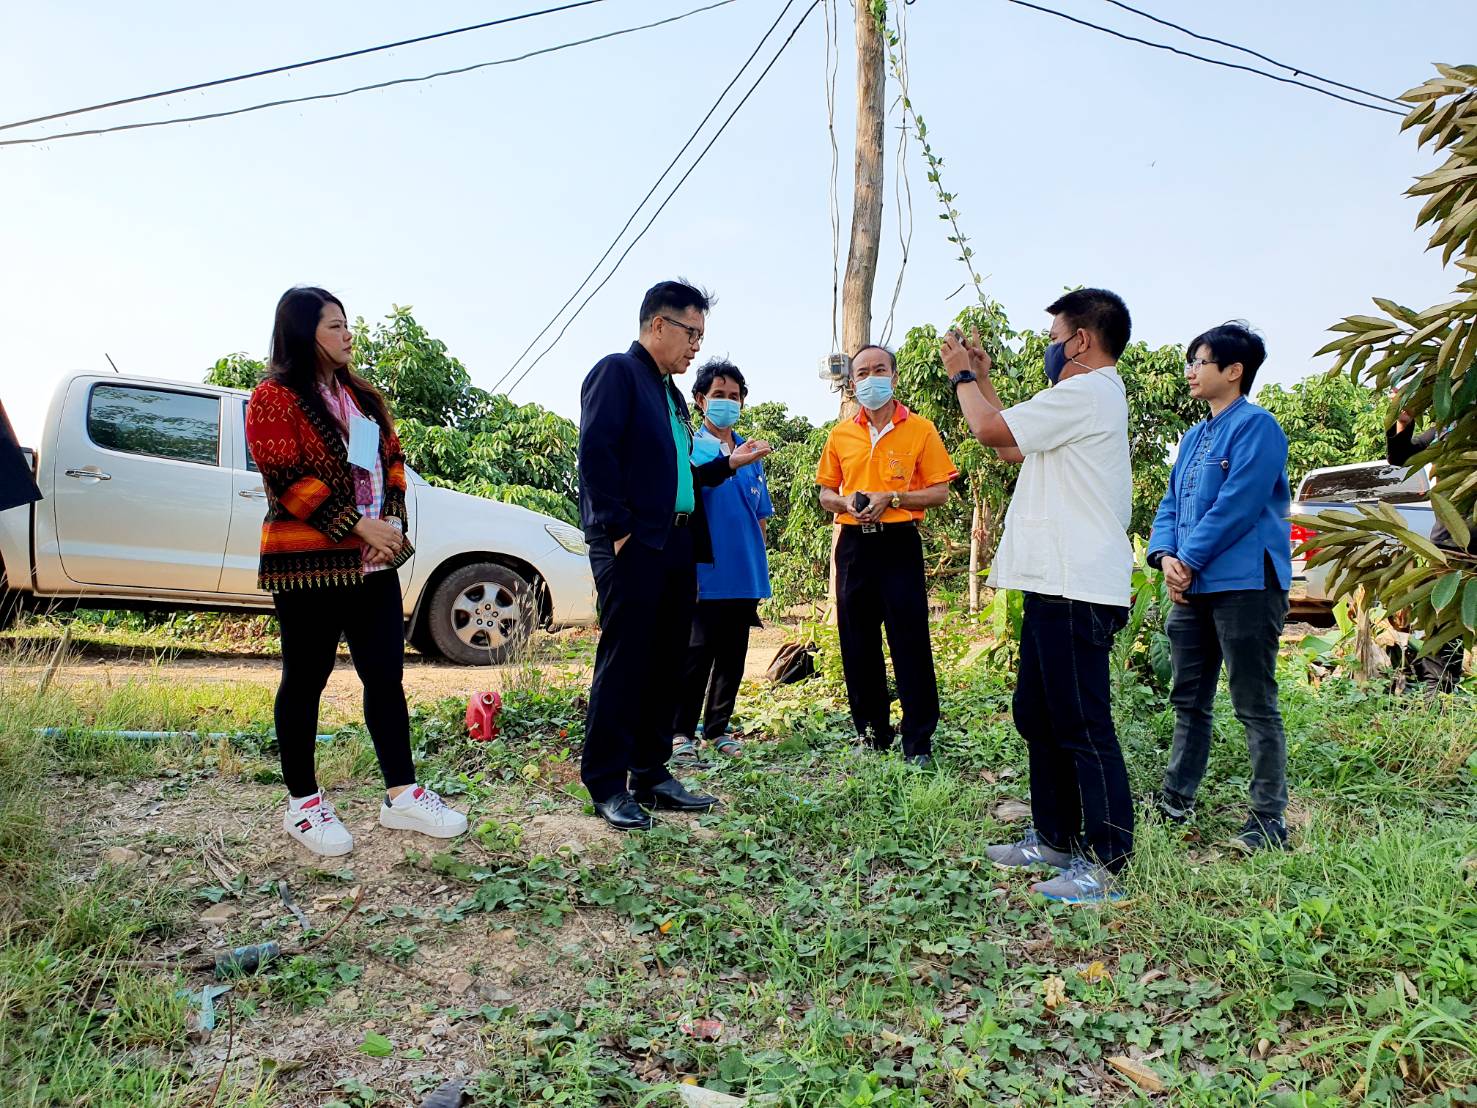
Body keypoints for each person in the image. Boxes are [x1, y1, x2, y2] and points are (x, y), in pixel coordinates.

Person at [246, 287, 467, 857]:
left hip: (372, 566)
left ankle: (401, 794)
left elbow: (392, 461)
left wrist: (389, 521)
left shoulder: (361, 397)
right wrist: (356, 526)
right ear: (303, 333)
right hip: (309, 566)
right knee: (306, 678)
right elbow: (286, 478)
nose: (347, 335)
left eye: (348, 325)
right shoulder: (273, 398)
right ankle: (303, 804)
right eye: (335, 326)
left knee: (384, 677)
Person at [941, 289, 1134, 904]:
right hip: (1055, 582)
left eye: (1055, 336)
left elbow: (985, 427)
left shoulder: (1089, 391)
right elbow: (1010, 444)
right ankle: (1053, 838)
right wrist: (988, 380)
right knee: (1040, 713)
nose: (1050, 347)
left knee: (1081, 722)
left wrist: (964, 376)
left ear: (1080, 340)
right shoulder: (1077, 400)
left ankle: (1109, 864)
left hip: (1076, 584)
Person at [578, 281, 772, 831]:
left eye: (701, 336)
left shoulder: (669, 393)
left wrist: (731, 465)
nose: (695, 347)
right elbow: (596, 454)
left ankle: (652, 772)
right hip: (635, 543)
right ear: (658, 325)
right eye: (691, 334)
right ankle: (607, 782)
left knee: (665, 661)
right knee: (625, 662)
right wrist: (616, 533)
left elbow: (682, 474)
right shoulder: (618, 373)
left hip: (676, 544)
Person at [1146, 322, 1293, 854]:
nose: (1190, 371)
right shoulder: (1192, 437)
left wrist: (1187, 558)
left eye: (1200, 361)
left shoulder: (1258, 428)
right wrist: (1165, 557)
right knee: (1189, 698)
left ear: (1234, 371)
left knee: (1253, 701)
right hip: (1192, 585)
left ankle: (1268, 818)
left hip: (1246, 585)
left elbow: (1238, 504)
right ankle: (1175, 798)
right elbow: (1171, 505)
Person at [816, 345, 957, 768]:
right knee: (857, 641)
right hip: (854, 544)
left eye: (879, 370)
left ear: (894, 377)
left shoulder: (921, 429)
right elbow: (826, 493)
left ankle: (918, 741)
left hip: (898, 542)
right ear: (853, 381)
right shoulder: (841, 434)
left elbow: (940, 490)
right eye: (862, 372)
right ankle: (872, 734)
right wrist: (845, 504)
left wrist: (894, 496)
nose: (870, 378)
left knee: (909, 638)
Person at [671, 358, 775, 761]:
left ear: (743, 403)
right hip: (703, 572)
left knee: (733, 656)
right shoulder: (691, 448)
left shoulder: (752, 453)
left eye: (734, 396)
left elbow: (760, 516)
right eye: (719, 395)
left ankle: (718, 729)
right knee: (694, 655)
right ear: (700, 400)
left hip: (743, 572)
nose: (727, 403)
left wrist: (759, 567)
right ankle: (680, 732)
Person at [1387, 403, 1470, 692]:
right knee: (1445, 624)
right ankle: (1440, 696)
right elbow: (1399, 457)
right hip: (1450, 546)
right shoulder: (1448, 427)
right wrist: (1403, 422)